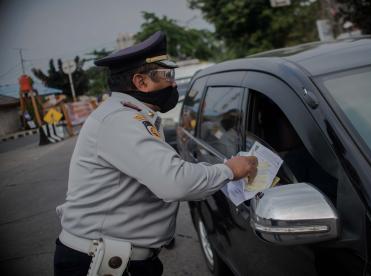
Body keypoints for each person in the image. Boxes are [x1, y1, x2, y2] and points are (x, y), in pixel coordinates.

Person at [54, 31, 258, 276]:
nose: (173, 83)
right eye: (168, 75)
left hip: (115, 258)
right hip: (101, 264)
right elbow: (175, 183)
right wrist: (231, 170)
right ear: (141, 82)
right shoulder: (120, 120)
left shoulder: (126, 114)